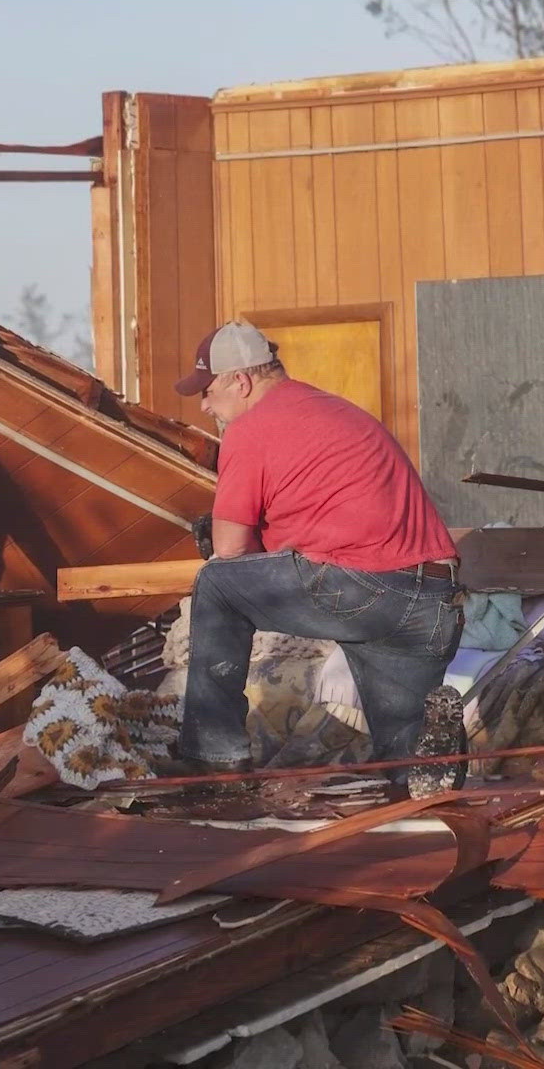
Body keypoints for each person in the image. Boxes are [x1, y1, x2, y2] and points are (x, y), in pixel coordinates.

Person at [171, 320, 464, 779]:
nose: (204, 404)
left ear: (241, 381)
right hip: (428, 599)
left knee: (217, 585)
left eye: (207, 391)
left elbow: (228, 553)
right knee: (406, 764)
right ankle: (429, 762)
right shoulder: (337, 412)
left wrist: (238, 548)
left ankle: (213, 760)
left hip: (361, 590)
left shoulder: (251, 428)